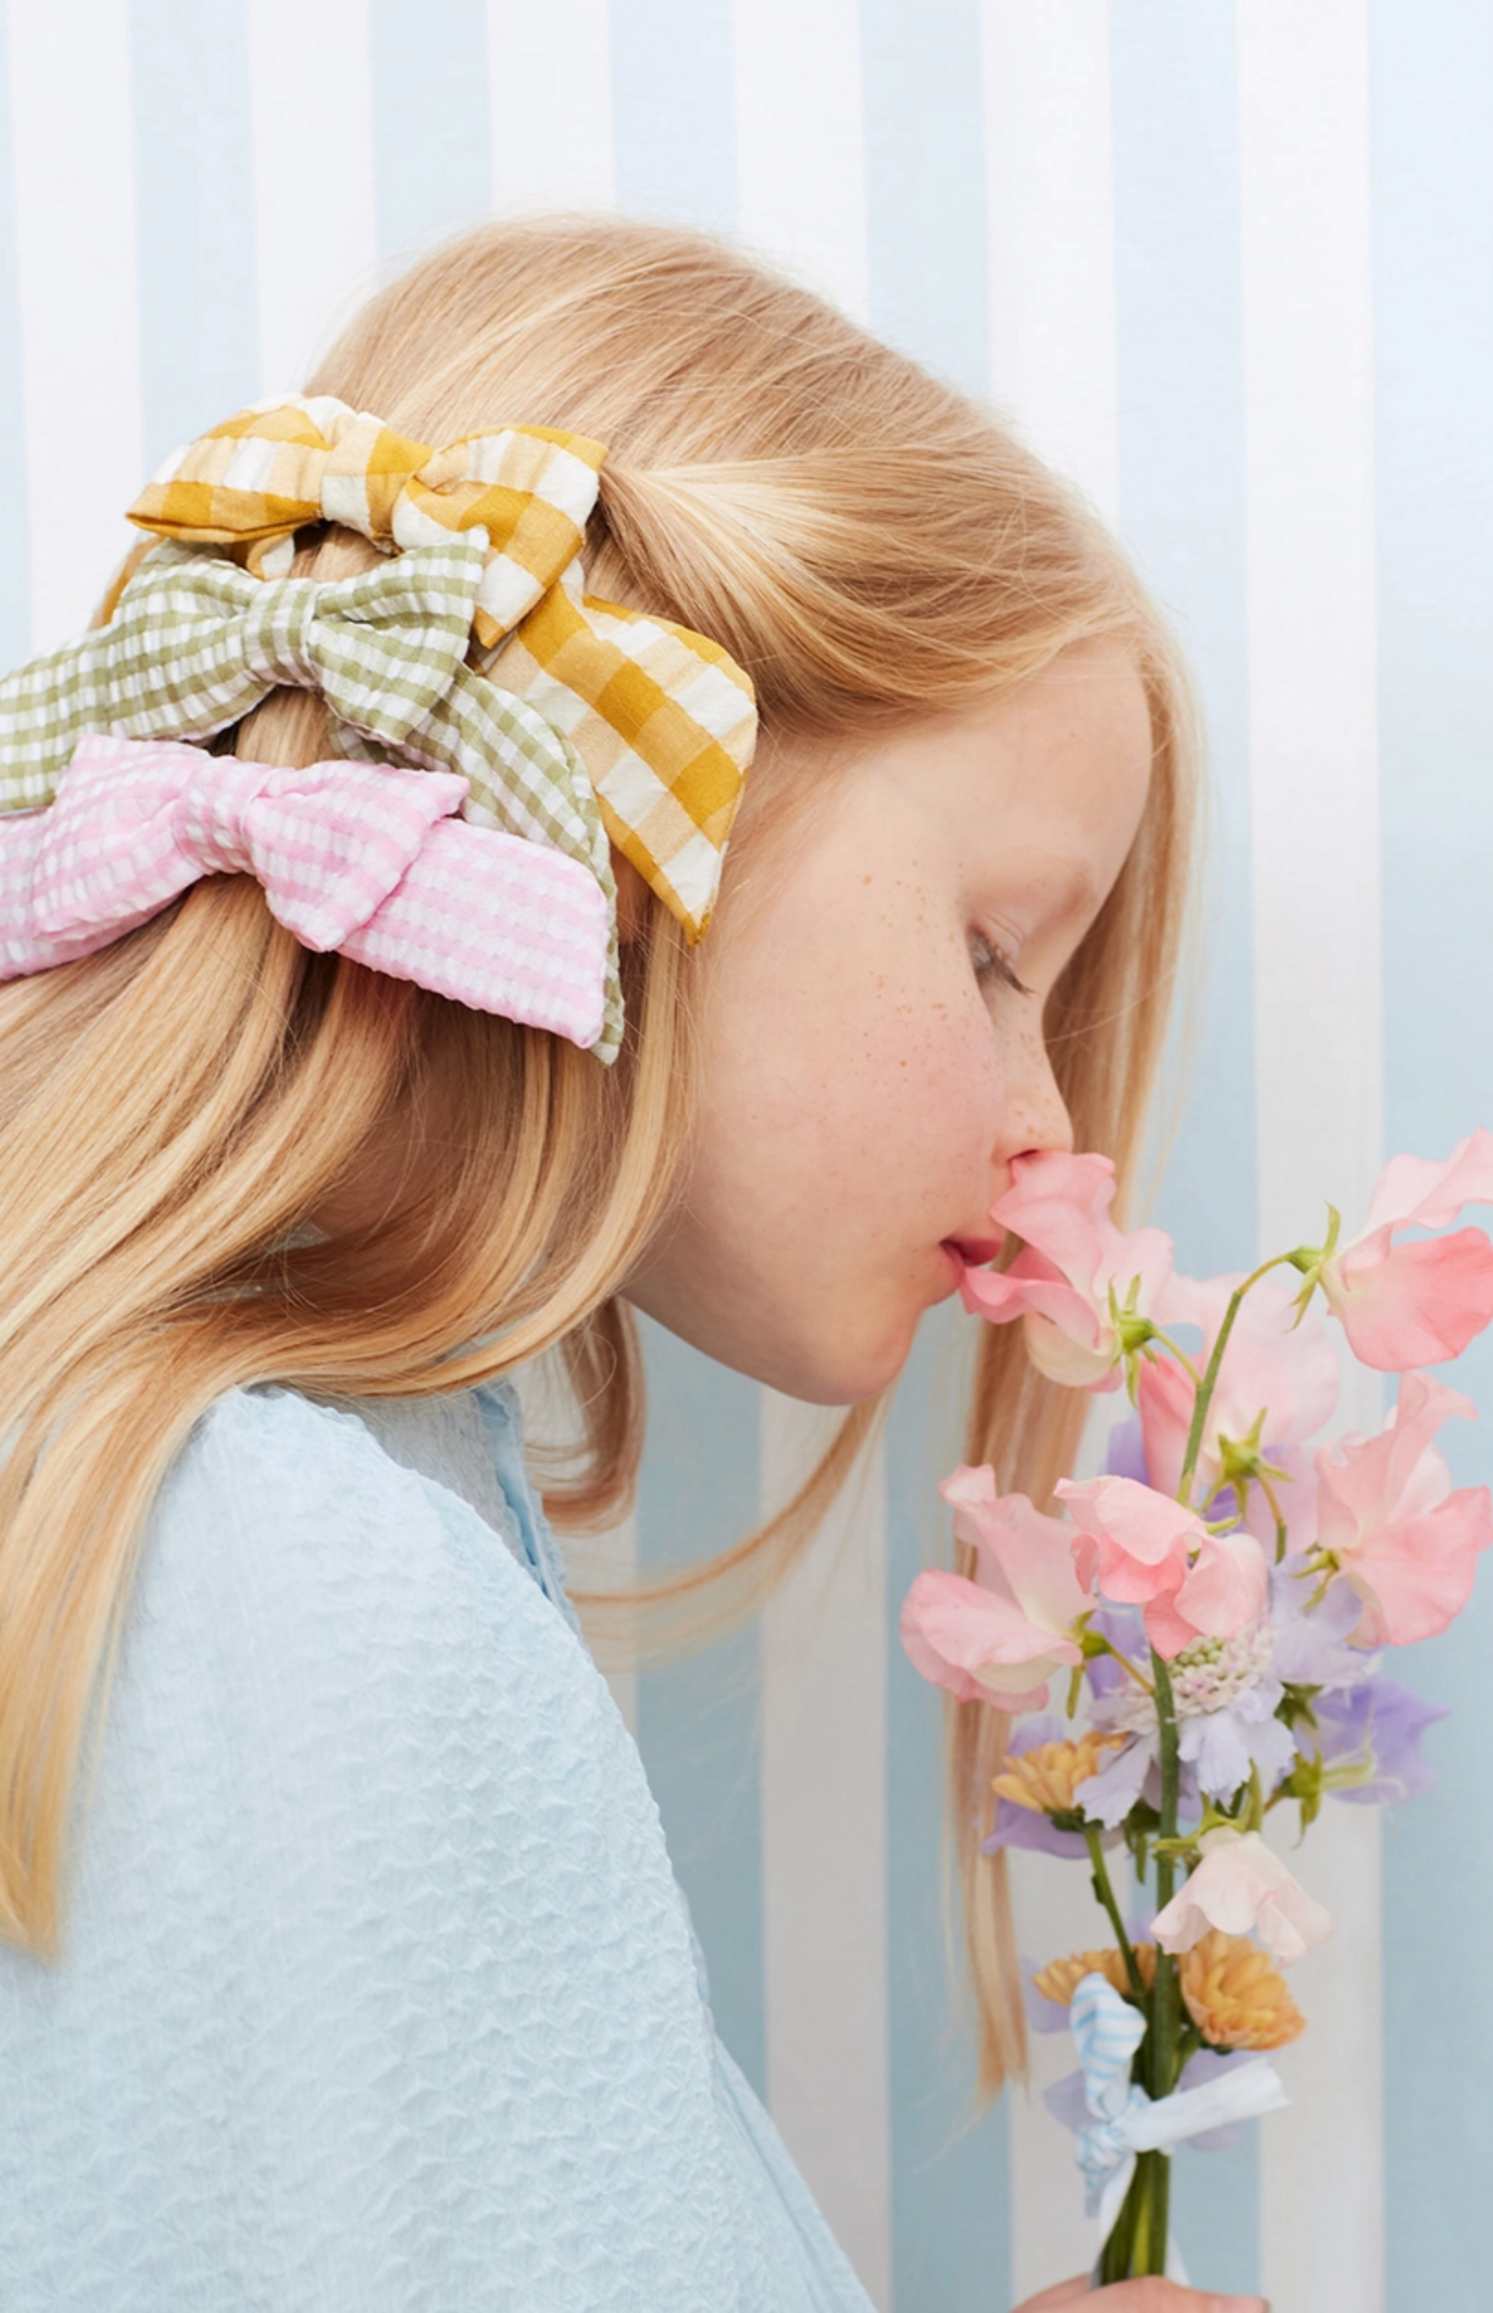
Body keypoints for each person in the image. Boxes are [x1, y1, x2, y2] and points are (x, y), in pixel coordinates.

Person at [0, 218, 1263, 2313]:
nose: (1057, 1132)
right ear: (632, 808)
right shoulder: (298, 1596)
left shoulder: (263, 1504)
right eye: (991, 952)